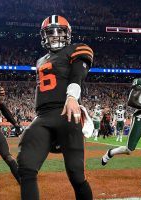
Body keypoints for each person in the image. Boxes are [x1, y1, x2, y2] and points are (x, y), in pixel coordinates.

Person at [17, 15, 93, 200]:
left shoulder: (77, 49)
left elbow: (77, 75)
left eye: (60, 31)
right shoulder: (40, 60)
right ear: (44, 36)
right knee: (25, 166)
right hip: (42, 117)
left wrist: (72, 97)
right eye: (51, 32)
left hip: (67, 112)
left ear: (68, 34)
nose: (55, 35)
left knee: (76, 175)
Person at [101, 64, 141, 189]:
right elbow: (131, 101)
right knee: (129, 150)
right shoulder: (140, 82)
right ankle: (110, 153)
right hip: (139, 118)